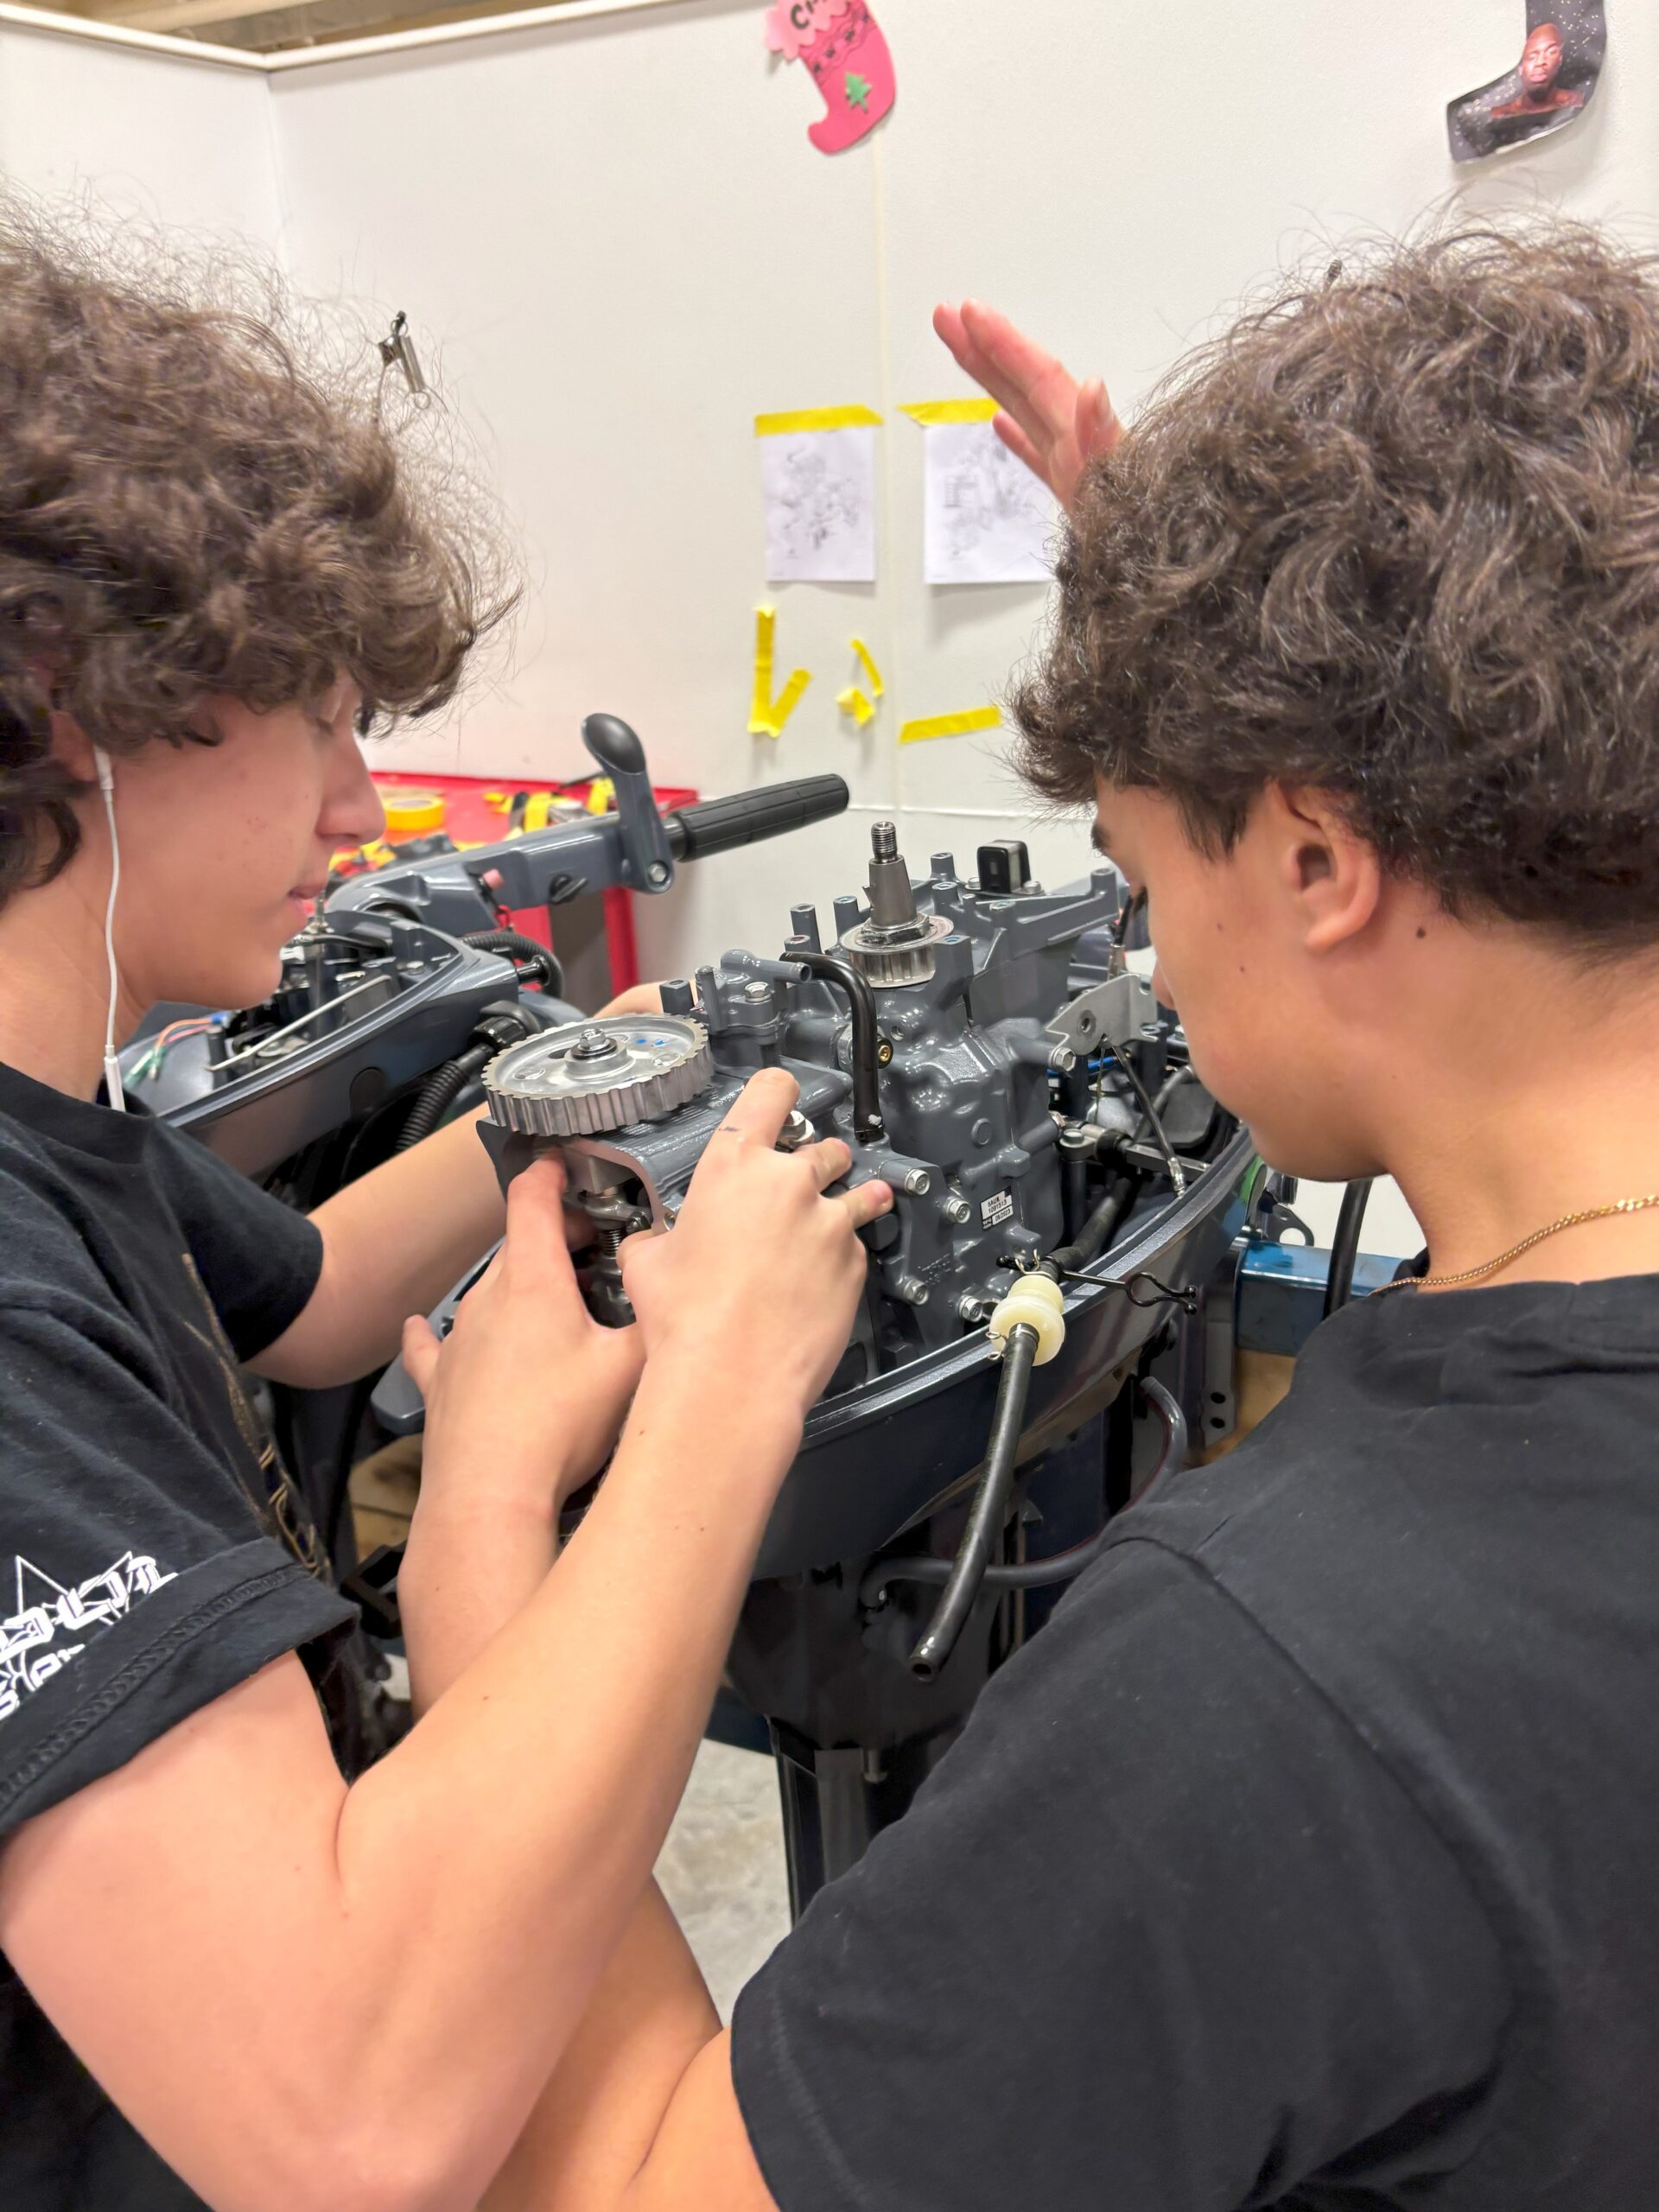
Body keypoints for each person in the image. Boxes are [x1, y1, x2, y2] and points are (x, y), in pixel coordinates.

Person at [472, 223, 1659, 2209]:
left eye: (1130, 864)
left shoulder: (1259, 1681)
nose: (1146, 948)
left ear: (1314, 853)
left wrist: (505, 1565)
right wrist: (1262, 652)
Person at [0, 204, 890, 2210]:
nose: (366, 805)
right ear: (72, 704)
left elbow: (307, 1305)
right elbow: (342, 2119)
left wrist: (559, 1096)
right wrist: (719, 1388)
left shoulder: (65, 1120)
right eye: (317, 717)